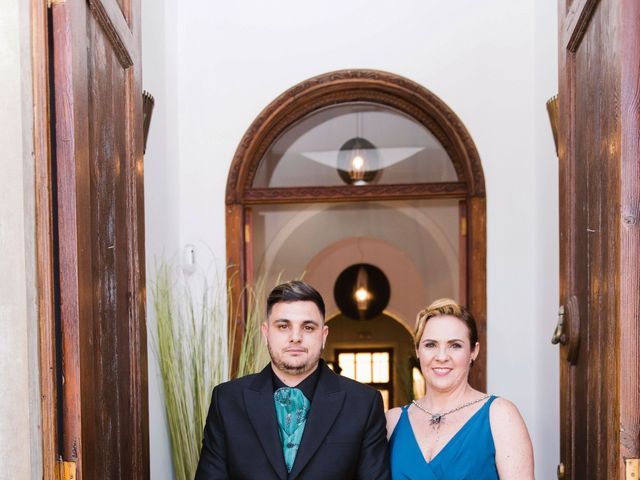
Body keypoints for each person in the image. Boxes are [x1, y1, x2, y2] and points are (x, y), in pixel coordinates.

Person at [195, 280, 390, 479]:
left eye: (308, 327)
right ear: (266, 333)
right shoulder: (227, 400)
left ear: (323, 336)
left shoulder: (363, 403)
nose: (295, 337)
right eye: (283, 326)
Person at [386, 298, 534, 479]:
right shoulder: (392, 421)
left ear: (473, 351)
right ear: (417, 350)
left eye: (455, 345)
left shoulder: (500, 415)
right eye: (430, 345)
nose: (441, 357)